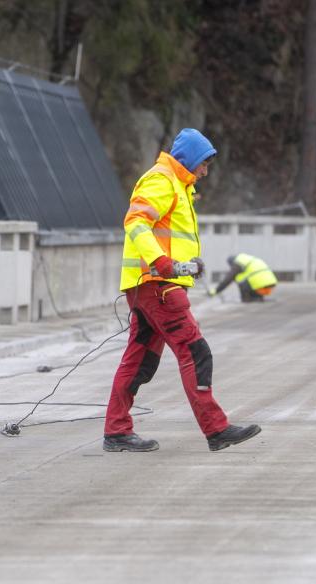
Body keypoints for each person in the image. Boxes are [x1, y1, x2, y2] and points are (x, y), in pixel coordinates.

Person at [103, 128, 261, 452]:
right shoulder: (162, 180)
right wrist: (161, 262)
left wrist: (187, 263)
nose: (205, 171)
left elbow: (167, 234)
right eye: (203, 163)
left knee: (139, 361)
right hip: (159, 286)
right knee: (195, 352)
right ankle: (216, 429)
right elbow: (135, 222)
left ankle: (116, 430)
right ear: (189, 159)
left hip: (151, 285)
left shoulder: (177, 185)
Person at [208, 253, 277, 302]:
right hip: (271, 283)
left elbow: (228, 279)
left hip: (261, 284)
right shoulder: (247, 259)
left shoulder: (238, 263)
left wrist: (216, 291)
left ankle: (247, 299)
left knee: (240, 279)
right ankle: (257, 297)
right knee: (244, 277)